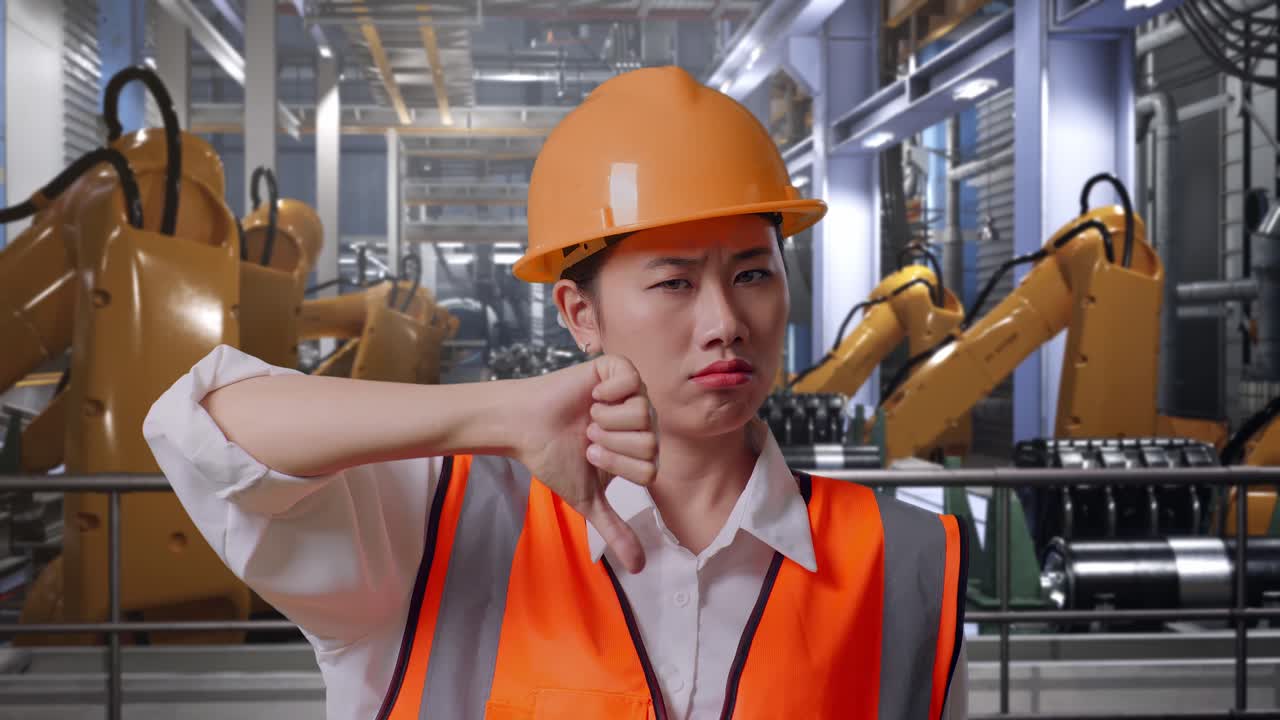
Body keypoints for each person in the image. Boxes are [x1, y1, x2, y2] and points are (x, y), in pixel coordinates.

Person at [144, 66, 968, 720]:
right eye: (675, 283)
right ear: (579, 314)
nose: (725, 322)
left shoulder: (906, 564)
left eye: (753, 274)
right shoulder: (433, 528)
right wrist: (498, 411)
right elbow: (204, 425)